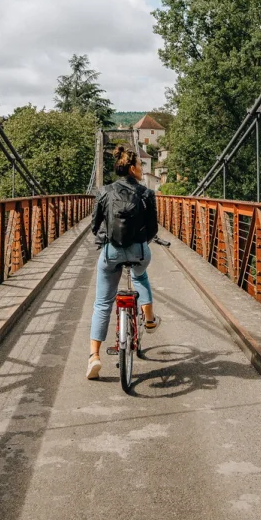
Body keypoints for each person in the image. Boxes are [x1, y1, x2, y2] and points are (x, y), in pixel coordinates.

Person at [87, 145, 160, 380]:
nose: (141, 169)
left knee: (102, 303)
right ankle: (149, 321)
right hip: (139, 250)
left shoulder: (105, 191)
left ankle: (94, 357)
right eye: (140, 165)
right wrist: (140, 244)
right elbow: (153, 229)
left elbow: (94, 225)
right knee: (140, 276)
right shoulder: (147, 193)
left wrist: (104, 239)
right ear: (132, 168)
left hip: (111, 252)